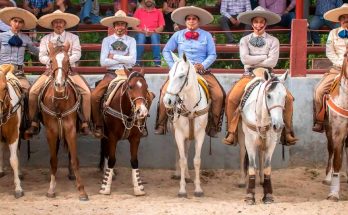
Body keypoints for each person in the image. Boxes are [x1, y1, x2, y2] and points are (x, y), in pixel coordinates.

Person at [223, 6, 298, 145]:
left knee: (288, 98)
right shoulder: (244, 40)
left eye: (261, 21)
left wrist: (255, 58)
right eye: (255, 21)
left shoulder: (274, 41)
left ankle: (287, 131)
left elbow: (273, 61)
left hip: (268, 75)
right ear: (252, 23)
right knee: (232, 97)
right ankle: (231, 131)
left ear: (265, 23)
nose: (258, 24)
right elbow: (244, 59)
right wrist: (264, 56)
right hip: (249, 75)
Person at [156, 6, 226, 137]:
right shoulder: (177, 35)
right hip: (182, 73)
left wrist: (203, 65)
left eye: (194, 19)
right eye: (188, 19)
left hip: (202, 72)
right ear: (185, 21)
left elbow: (212, 54)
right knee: (164, 91)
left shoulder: (207, 36)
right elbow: (166, 50)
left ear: (198, 21)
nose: (191, 21)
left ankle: (214, 126)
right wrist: (173, 66)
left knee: (219, 95)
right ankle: (161, 123)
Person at [24, 10, 91, 138]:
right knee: (33, 92)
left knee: (87, 92)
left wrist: (63, 63)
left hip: (69, 71)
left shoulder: (73, 37)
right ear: (52, 25)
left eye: (60, 22)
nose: (58, 24)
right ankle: (34, 122)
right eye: (56, 22)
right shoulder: (45, 39)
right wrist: (53, 63)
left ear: (65, 24)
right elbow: (41, 56)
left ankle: (85, 122)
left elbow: (77, 54)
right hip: (50, 71)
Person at [92, 10, 139, 138]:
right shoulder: (107, 40)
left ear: (126, 26)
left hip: (128, 73)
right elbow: (103, 62)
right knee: (94, 96)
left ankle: (141, 124)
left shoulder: (131, 40)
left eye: (122, 24)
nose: (120, 27)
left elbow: (133, 60)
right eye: (117, 24)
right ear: (114, 26)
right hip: (111, 74)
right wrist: (124, 57)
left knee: (146, 95)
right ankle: (98, 125)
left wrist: (114, 56)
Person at [313, 4, 348, 132]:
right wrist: (341, 63)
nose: (346, 19)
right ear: (339, 20)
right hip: (336, 70)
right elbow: (329, 52)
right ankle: (319, 121)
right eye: (343, 17)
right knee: (318, 91)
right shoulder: (333, 33)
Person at [0, 7, 39, 94]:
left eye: (20, 22)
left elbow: (37, 51)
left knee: (27, 91)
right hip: (2, 70)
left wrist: (51, 50)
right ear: (10, 22)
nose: (17, 24)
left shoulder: (26, 38)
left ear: (23, 25)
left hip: (18, 72)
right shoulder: (1, 36)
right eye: (15, 21)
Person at [133, 0, 165, 66]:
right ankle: (137, 62)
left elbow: (161, 27)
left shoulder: (158, 12)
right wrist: (141, 31)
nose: (148, 0)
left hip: (153, 34)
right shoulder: (138, 11)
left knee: (154, 36)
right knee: (141, 36)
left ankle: (157, 63)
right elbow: (133, 26)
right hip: (141, 33)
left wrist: (153, 31)